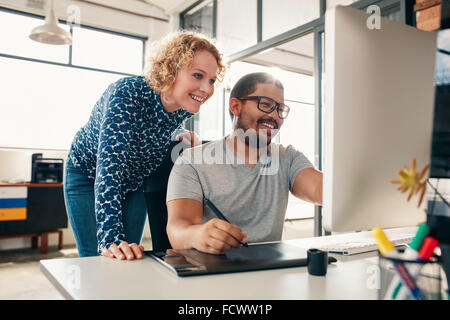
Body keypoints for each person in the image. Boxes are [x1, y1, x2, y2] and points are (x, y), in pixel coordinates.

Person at [63, 31, 226, 260]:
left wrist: (179, 134)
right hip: (89, 177)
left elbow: (147, 127)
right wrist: (110, 240)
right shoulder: (126, 94)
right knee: (99, 259)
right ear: (170, 69)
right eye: (197, 75)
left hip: (134, 181)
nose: (207, 89)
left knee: (130, 255)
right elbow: (109, 171)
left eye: (211, 80)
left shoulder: (179, 107)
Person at [166, 72, 322, 254]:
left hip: (269, 272)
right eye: (266, 104)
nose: (275, 116)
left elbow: (322, 190)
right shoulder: (192, 162)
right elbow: (178, 230)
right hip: (213, 273)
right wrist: (197, 234)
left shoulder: (288, 157)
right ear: (235, 106)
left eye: (280, 109)